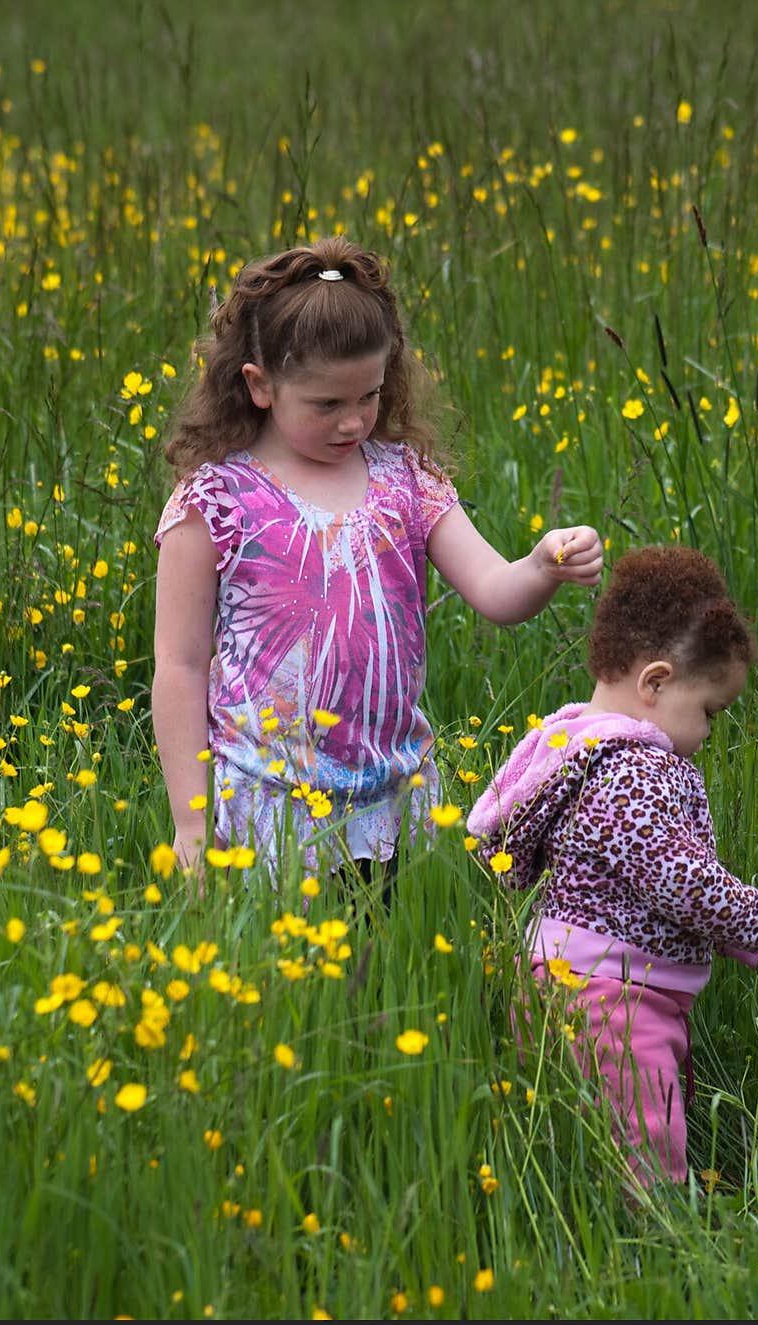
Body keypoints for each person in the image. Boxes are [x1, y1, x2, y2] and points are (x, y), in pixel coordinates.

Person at [151, 235, 603, 885]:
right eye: (327, 404)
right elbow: (181, 664)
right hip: (268, 803)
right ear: (259, 386)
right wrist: (190, 823)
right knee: (292, 983)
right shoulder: (216, 500)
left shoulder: (407, 480)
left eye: (369, 395)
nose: (354, 422)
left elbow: (495, 590)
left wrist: (541, 566)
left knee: (388, 963)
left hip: (392, 793)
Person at [466, 545, 758, 1188]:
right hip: (615, 1002)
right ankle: (653, 1265)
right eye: (708, 712)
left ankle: (569, 1239)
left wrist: (729, 939)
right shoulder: (637, 770)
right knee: (644, 1162)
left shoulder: (573, 744)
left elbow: (632, 885)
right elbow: (681, 882)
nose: (709, 734)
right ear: (654, 683)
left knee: (566, 1153)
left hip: (566, 979)